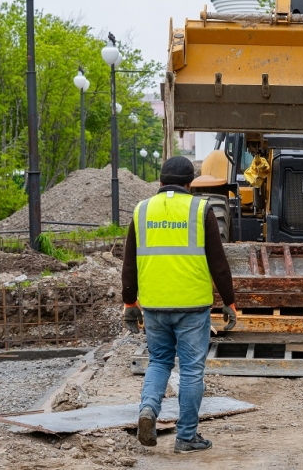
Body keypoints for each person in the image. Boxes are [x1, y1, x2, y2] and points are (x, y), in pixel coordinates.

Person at [121, 155, 237, 454]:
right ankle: (186, 437)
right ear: (191, 184)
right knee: (190, 371)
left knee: (159, 362)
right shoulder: (200, 208)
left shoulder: (142, 210)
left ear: (160, 182)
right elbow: (218, 262)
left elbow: (129, 263)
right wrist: (229, 301)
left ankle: (148, 410)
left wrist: (129, 302)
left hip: (155, 306)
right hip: (192, 307)